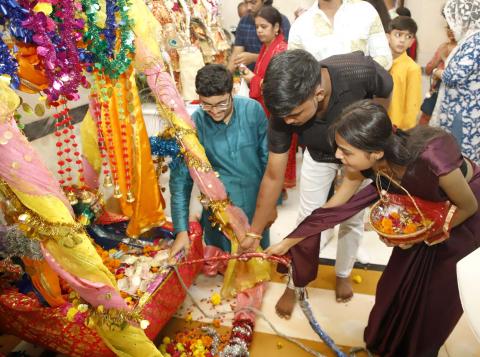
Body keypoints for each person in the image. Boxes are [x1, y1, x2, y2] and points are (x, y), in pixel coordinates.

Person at [265, 100, 479, 357]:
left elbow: (469, 206)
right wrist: (287, 242)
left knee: (435, 300)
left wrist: (424, 236)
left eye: (345, 151)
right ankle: (384, 346)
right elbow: (331, 210)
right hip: (420, 218)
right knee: (394, 286)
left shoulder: (431, 159)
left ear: (376, 153)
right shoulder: (365, 165)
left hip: (462, 221)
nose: (337, 156)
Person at [241, 50, 393, 318]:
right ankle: (296, 282)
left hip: (357, 154)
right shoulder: (283, 109)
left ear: (318, 94)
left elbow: (386, 88)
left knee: (352, 218)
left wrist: (369, 133)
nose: (287, 122)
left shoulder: (358, 70)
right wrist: (254, 232)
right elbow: (274, 175)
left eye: (294, 115)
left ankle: (343, 271)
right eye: (283, 117)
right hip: (318, 153)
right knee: (308, 218)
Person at [239, 6, 297, 192]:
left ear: (277, 27)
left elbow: (280, 85)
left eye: (264, 26)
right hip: (266, 108)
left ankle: (277, 189)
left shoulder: (281, 50)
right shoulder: (267, 47)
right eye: (257, 27)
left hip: (278, 110)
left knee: (275, 149)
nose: (259, 31)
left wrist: (252, 79)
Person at [433, 0, 480, 164]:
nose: (451, 26)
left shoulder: (475, 42)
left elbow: (454, 75)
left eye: (451, 21)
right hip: (460, 108)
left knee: (459, 160)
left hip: (464, 111)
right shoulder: (469, 40)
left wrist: (436, 72)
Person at [288, 0, 392, 70]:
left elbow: (384, 58)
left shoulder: (365, 11)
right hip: (320, 99)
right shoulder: (300, 25)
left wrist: (358, 75)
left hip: (364, 97)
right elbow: (295, 71)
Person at [228, 0, 290, 71]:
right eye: (246, 2)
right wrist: (225, 77)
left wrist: (253, 58)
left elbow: (284, 58)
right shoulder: (244, 21)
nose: (248, 7)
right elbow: (236, 54)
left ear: (276, 27)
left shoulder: (282, 21)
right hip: (250, 76)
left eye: (253, 2)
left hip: (273, 76)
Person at [386, 16, 422, 130]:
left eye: (408, 37)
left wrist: (405, 132)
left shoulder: (412, 68)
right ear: (388, 37)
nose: (402, 40)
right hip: (377, 122)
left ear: (412, 42)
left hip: (396, 128)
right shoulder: (380, 62)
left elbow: (413, 106)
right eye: (398, 34)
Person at [419, 25, 457, 125]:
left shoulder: (466, 49)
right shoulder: (443, 47)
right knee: (426, 116)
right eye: (448, 27)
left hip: (454, 93)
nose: (451, 31)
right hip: (436, 88)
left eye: (454, 27)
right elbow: (428, 71)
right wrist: (438, 59)